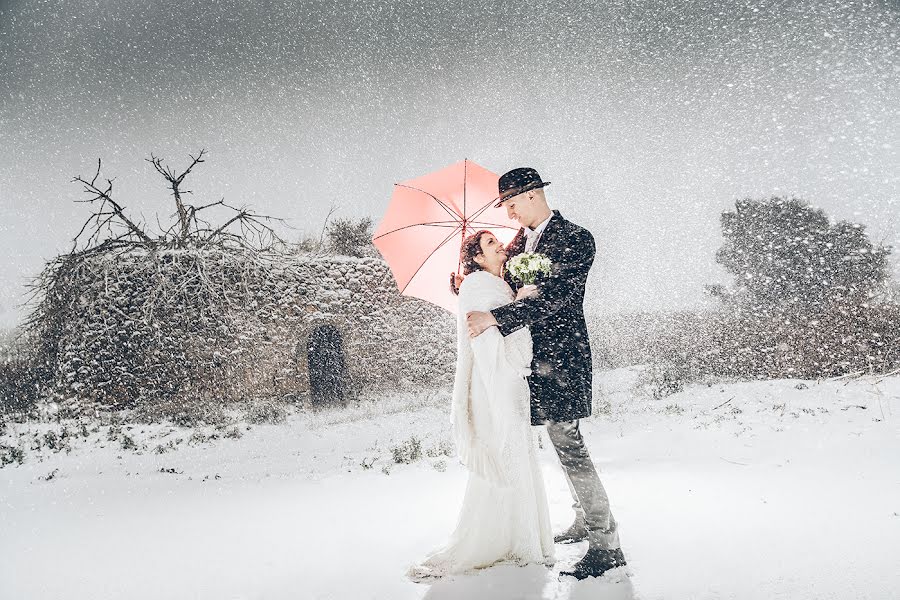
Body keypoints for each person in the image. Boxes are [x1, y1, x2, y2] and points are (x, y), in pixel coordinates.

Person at [466, 167, 626, 580]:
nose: (510, 214)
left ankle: (607, 544)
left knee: (569, 442)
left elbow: (555, 299)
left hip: (565, 359)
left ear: (534, 194)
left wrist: (494, 319)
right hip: (532, 362)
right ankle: (580, 520)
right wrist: (470, 282)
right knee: (560, 441)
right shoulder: (518, 244)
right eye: (506, 206)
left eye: (513, 203)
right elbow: (504, 285)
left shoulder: (577, 238)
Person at [407, 230, 555, 580]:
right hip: (495, 383)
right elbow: (486, 340)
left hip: (508, 382)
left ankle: (521, 535)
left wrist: (517, 299)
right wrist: (518, 305)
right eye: (489, 243)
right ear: (476, 257)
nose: (499, 245)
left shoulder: (492, 282)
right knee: (505, 450)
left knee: (517, 451)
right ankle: (503, 537)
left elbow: (504, 319)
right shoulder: (478, 285)